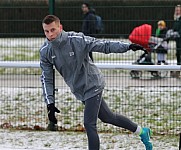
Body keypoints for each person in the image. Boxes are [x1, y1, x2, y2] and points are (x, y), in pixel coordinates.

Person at [40, 15, 153, 150]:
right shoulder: (45, 51)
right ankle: (142, 131)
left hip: (93, 84)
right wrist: (50, 104)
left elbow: (103, 45)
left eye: (53, 30)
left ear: (60, 27)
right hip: (79, 89)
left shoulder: (76, 40)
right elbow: (47, 78)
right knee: (108, 117)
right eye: (46, 31)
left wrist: (127, 47)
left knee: (89, 124)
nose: (50, 34)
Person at [173, 5, 181, 77]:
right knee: (178, 53)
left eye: (178, 10)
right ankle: (178, 68)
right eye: (176, 10)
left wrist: (179, 33)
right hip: (177, 39)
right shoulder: (176, 19)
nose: (177, 11)